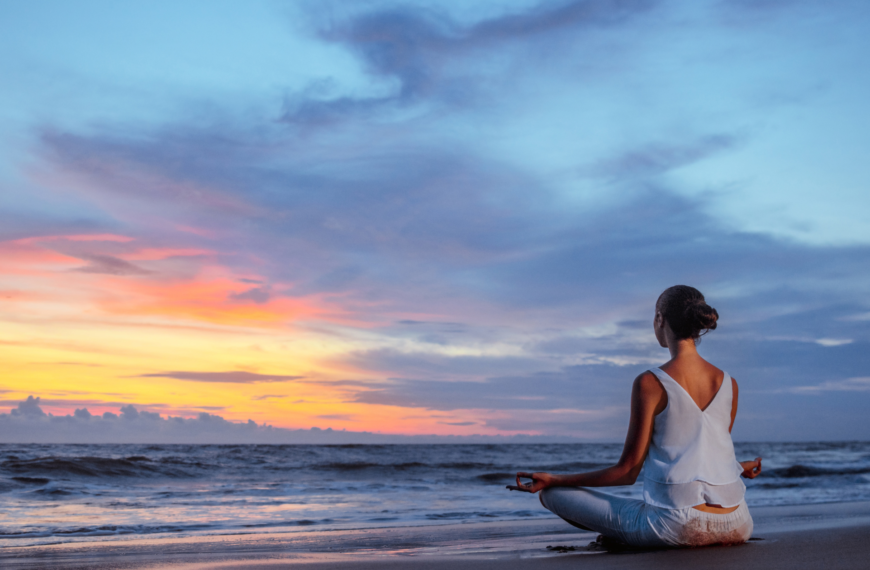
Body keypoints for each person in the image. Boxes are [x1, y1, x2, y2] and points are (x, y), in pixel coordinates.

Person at [507, 285, 763, 548]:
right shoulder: (729, 383)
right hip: (738, 522)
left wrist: (554, 479)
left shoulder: (650, 383)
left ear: (660, 319)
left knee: (552, 495)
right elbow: (704, 451)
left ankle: (625, 535)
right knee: (650, 508)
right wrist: (739, 466)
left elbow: (627, 472)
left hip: (677, 527)